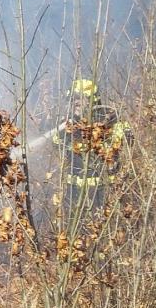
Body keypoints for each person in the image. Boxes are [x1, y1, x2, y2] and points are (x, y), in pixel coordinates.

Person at [51, 78, 127, 223]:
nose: (76, 102)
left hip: (102, 192)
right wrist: (64, 130)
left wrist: (106, 129)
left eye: (81, 98)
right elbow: (56, 145)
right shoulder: (68, 124)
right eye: (73, 99)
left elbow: (126, 141)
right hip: (73, 194)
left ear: (93, 100)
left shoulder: (109, 120)